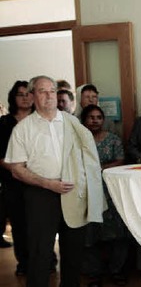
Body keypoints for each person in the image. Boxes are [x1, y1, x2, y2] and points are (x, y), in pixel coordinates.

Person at [5, 75, 105, 287]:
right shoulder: (23, 128)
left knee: (73, 254)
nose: (49, 95)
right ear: (32, 96)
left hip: (72, 192)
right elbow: (16, 169)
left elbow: (88, 160)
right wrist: (47, 183)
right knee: (40, 253)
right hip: (39, 194)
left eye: (52, 91)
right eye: (42, 91)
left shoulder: (72, 123)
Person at [80, 104, 129, 286]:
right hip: (86, 192)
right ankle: (93, 274)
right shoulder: (79, 140)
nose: (95, 120)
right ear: (84, 120)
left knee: (116, 233)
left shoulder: (113, 139)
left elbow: (120, 160)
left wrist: (98, 168)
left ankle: (116, 271)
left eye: (98, 117)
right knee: (89, 234)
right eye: (91, 117)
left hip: (110, 191)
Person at [0, 81, 33, 275]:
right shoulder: (4, 124)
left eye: (28, 93)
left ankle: (47, 260)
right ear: (13, 97)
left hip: (39, 180)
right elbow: (1, 156)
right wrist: (18, 169)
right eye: (20, 94)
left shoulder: (40, 121)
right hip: (13, 181)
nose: (25, 97)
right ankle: (24, 263)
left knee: (39, 224)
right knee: (19, 224)